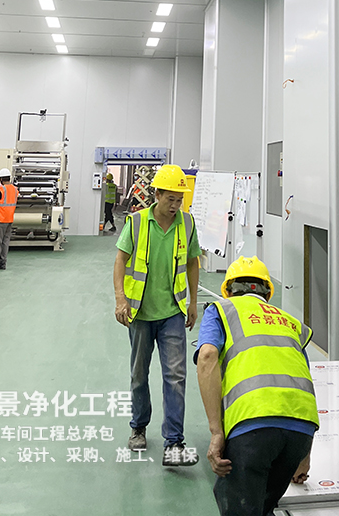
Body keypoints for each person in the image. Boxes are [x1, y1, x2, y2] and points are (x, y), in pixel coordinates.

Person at [195, 256, 318, 516]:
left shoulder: (221, 310)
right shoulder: (290, 322)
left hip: (253, 425)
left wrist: (216, 432)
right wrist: (304, 455)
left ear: (228, 291)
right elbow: (304, 381)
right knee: (263, 507)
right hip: (300, 432)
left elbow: (207, 356)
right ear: (267, 293)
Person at [113, 163, 201, 467]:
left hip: (173, 312)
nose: (175, 205)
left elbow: (193, 262)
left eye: (180, 199)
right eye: (171, 199)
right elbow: (120, 260)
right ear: (158, 195)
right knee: (139, 374)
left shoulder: (187, 223)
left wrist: (193, 302)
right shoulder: (137, 222)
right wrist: (120, 299)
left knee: (175, 377)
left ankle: (174, 443)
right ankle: (138, 426)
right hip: (140, 312)